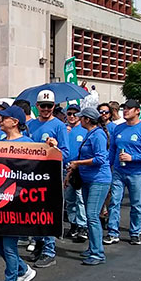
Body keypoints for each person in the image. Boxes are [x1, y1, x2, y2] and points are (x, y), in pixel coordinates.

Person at [0, 105, 36, 281]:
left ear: (15, 122)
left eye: (4, 118)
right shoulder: (0, 140)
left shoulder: (27, 143)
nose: (0, 120)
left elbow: (35, 169)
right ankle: (23, 270)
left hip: (16, 200)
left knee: (9, 244)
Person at [104, 99, 141, 246]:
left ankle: (134, 232)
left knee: (136, 203)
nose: (125, 111)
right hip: (119, 171)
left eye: (129, 108)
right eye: (124, 108)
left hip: (136, 173)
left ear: (137, 111)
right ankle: (112, 232)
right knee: (115, 201)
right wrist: (108, 165)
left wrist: (133, 158)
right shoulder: (118, 128)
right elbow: (113, 150)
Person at [25, 90, 69, 268]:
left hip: (50, 175)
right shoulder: (31, 125)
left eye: (49, 106)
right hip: (33, 175)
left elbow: (66, 153)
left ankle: (50, 250)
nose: (46, 109)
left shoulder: (59, 126)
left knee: (47, 213)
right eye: (43, 106)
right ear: (37, 107)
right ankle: (39, 244)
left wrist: (55, 147)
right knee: (34, 213)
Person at [66, 107, 111, 265]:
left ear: (87, 119)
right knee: (91, 214)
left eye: (81, 117)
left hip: (98, 180)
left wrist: (78, 163)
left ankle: (98, 253)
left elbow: (100, 158)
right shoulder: (92, 133)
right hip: (89, 179)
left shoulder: (97, 135)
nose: (78, 119)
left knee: (92, 216)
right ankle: (93, 248)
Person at [64, 104, 88, 242]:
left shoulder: (84, 130)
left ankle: (82, 226)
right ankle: (73, 224)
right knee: (69, 198)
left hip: (79, 169)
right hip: (65, 168)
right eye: (69, 113)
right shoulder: (64, 129)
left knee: (80, 199)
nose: (72, 116)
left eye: (75, 114)